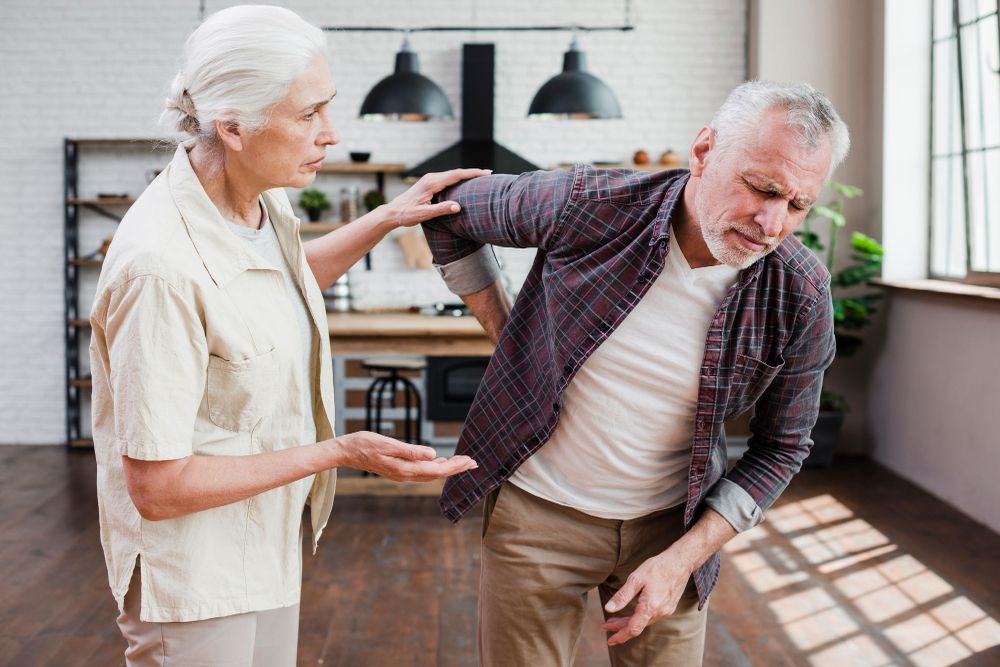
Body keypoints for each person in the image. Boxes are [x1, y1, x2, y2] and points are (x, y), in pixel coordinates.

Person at [88, 5, 484, 666]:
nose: (329, 133)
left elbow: (281, 279)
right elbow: (157, 488)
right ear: (233, 125)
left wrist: (386, 217)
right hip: (193, 576)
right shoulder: (158, 267)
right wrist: (339, 450)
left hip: (264, 543)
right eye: (308, 115)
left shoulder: (260, 201)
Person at [422, 80, 849, 666]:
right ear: (704, 151)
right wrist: (508, 335)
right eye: (760, 187)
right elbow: (449, 208)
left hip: (672, 530)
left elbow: (783, 446)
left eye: (798, 205)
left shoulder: (800, 291)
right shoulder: (589, 202)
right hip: (537, 516)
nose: (772, 223)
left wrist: (683, 560)